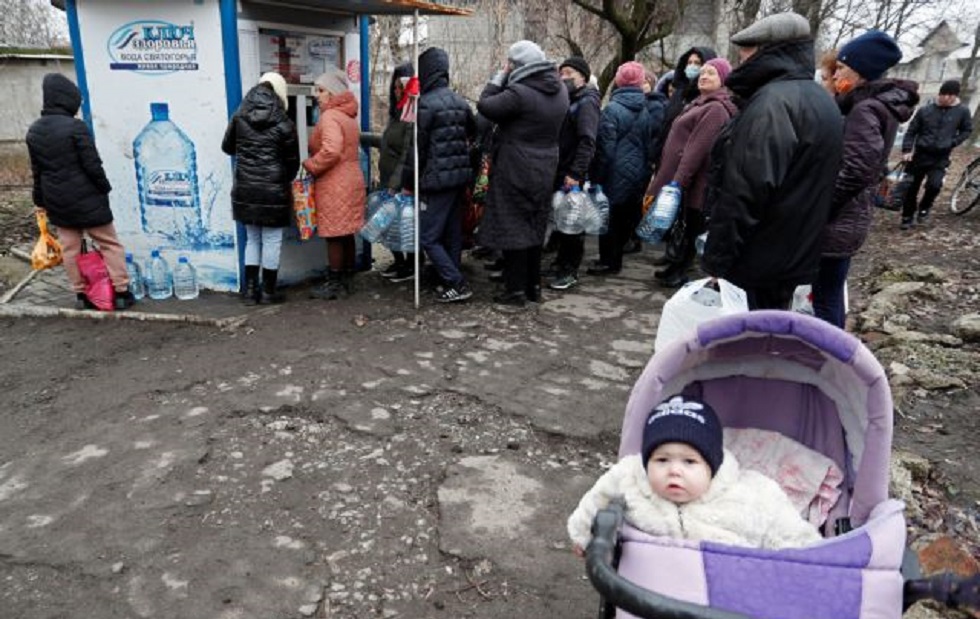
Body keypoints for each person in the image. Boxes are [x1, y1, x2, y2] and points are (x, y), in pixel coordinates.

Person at [701, 12, 844, 310]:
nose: (741, 61)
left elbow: (745, 189)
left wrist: (717, 259)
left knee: (747, 341)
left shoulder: (771, 104)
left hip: (758, 258)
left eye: (745, 52)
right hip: (793, 254)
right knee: (771, 338)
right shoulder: (820, 100)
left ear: (766, 52)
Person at [567, 394, 821, 552]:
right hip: (646, 589)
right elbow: (597, 499)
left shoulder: (752, 493)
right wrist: (584, 535)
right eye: (662, 459)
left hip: (728, 597)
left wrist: (809, 566)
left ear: (712, 465)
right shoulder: (630, 477)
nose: (674, 470)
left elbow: (791, 533)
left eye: (689, 462)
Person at [813, 31, 917, 328]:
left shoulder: (865, 109)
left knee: (826, 296)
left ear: (861, 71)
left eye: (843, 68)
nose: (837, 75)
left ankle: (828, 358)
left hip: (840, 220)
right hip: (851, 218)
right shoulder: (876, 106)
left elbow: (858, 169)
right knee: (829, 293)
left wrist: (823, 204)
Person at [25, 73, 134, 311]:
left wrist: (40, 201)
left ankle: (81, 296)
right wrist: (104, 187)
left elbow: (37, 171)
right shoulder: (76, 127)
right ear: (67, 100)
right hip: (87, 198)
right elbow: (92, 163)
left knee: (70, 249)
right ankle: (122, 292)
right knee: (109, 244)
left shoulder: (34, 131)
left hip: (57, 200)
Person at [477, 40, 569, 310]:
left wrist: (498, 77)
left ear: (516, 66)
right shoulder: (560, 88)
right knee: (534, 226)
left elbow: (486, 105)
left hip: (516, 165)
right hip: (546, 165)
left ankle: (514, 293)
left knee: (513, 228)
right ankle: (533, 287)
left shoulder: (520, 92)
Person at [645, 58, 737, 289]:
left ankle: (679, 271)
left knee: (690, 225)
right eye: (703, 73)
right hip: (685, 178)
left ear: (723, 80)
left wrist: (679, 182)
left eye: (711, 74)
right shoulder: (700, 103)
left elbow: (697, 148)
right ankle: (674, 266)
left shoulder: (716, 108)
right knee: (683, 224)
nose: (704, 76)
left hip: (695, 181)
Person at [400, 47, 477, 303]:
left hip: (435, 180)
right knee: (452, 233)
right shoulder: (460, 101)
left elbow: (416, 151)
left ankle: (457, 282)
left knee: (428, 237)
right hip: (458, 179)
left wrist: (408, 182)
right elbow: (473, 133)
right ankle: (451, 281)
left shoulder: (425, 105)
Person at [221, 72, 300, 304]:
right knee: (272, 240)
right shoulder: (284, 122)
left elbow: (227, 147)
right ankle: (267, 292)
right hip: (273, 188)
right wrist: (284, 179)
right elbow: (292, 161)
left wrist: (248, 154)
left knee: (252, 239)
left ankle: (249, 292)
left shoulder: (240, 116)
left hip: (245, 186)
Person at [586, 61, 657, 276]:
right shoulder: (646, 109)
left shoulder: (612, 110)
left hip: (614, 172)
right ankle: (615, 259)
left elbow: (605, 148)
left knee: (609, 219)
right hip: (638, 172)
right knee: (625, 216)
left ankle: (608, 262)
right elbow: (649, 144)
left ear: (618, 81)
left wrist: (596, 176)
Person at [304, 68, 366, 300]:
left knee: (334, 234)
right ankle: (347, 279)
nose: (317, 95)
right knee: (346, 232)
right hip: (351, 178)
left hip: (334, 181)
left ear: (332, 92)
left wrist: (311, 164)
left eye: (321, 90)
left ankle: (334, 283)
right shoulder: (349, 116)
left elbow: (331, 150)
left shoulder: (329, 117)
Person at [548, 56, 600, 291]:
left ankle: (569, 270)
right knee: (561, 220)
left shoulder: (586, 102)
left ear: (583, 77)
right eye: (561, 73)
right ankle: (560, 262)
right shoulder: (567, 100)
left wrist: (576, 172)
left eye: (569, 73)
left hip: (571, 173)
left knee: (571, 223)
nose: (564, 77)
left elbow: (587, 141)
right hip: (559, 169)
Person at [363, 61, 416, 282]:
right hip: (388, 180)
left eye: (400, 88)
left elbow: (407, 152)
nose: (396, 92)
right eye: (394, 88)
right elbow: (387, 143)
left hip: (401, 183)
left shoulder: (412, 114)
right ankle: (400, 262)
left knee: (404, 226)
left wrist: (396, 184)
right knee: (387, 225)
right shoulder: (397, 114)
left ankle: (411, 266)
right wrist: (360, 136)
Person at [899, 79, 973, 229]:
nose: (946, 98)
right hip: (919, 155)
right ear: (939, 94)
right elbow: (912, 131)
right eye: (943, 94)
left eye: (950, 95)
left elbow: (967, 130)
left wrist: (953, 142)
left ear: (955, 97)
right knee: (911, 187)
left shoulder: (962, 112)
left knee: (935, 185)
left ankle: (924, 208)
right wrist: (907, 150)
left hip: (940, 157)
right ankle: (907, 216)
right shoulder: (925, 111)